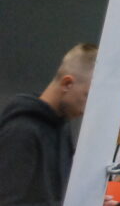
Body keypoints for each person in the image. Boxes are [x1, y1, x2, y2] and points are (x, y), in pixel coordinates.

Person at [0, 42, 97, 206]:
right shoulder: (21, 131)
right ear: (67, 84)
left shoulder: (62, 127)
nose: (88, 108)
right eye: (87, 96)